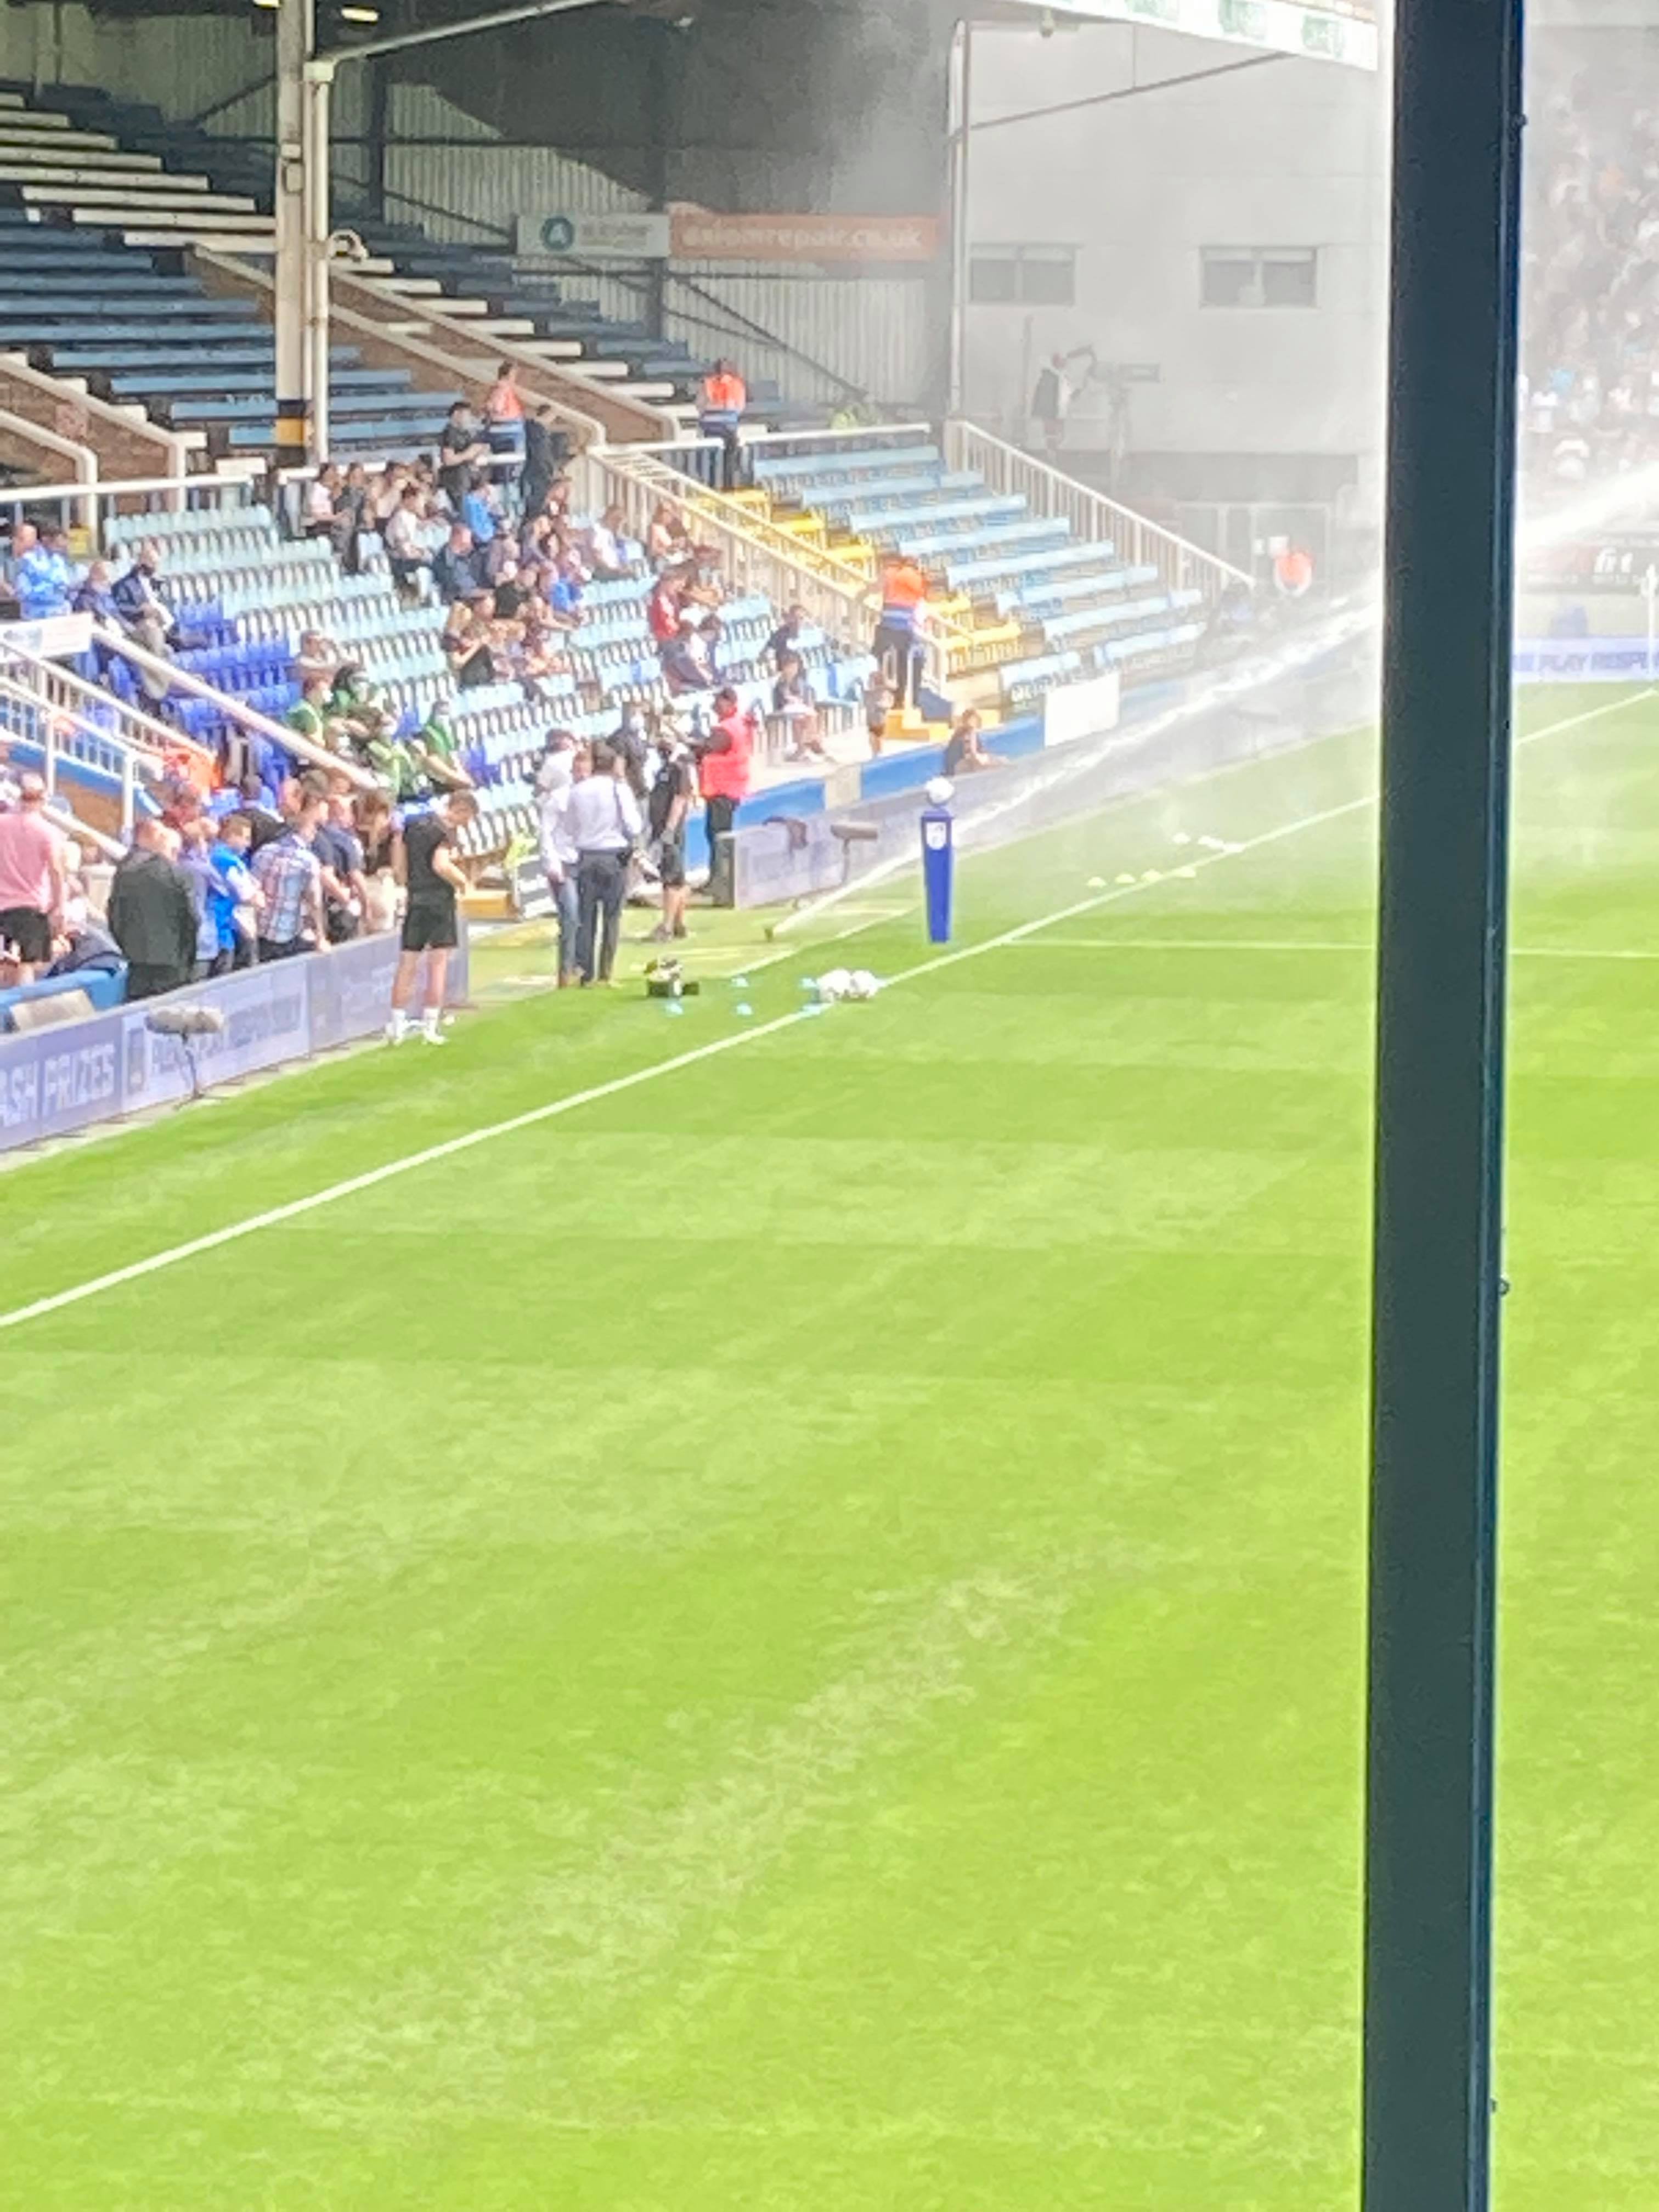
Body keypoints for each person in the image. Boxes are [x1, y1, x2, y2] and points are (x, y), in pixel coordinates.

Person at [387, 789, 478, 1043]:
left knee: (408, 962)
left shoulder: (413, 825)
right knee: (438, 964)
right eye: (467, 818)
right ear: (460, 809)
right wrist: (463, 882)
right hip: (438, 901)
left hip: (416, 898)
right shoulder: (443, 833)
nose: (465, 825)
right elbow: (441, 865)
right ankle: (430, 1027)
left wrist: (405, 882)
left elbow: (399, 862)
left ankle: (397, 1025)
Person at [565, 741, 642, 985]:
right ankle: (606, 972)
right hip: (613, 856)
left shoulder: (577, 791)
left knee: (586, 917)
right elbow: (634, 826)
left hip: (586, 855)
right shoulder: (619, 790)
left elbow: (570, 827)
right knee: (612, 917)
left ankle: (585, 972)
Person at [106, 819, 198, 1000]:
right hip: (173, 960)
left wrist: (126, 946)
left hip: (136, 958)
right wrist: (188, 956)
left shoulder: (125, 873)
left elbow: (115, 915)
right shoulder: (179, 875)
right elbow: (191, 919)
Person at [0, 772, 65, 983]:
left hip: (2, 906)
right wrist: (59, 906)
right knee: (26, 967)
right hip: (30, 909)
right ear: (43, 798)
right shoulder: (47, 831)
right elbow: (56, 871)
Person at [695, 686, 753, 906]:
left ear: (729, 703)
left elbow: (709, 748)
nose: (714, 706)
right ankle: (717, 878)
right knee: (717, 834)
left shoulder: (728, 729)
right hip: (728, 787)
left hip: (723, 788)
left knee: (719, 836)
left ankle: (721, 881)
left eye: (718, 702)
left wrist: (690, 744)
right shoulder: (737, 724)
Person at [251, 797, 327, 961]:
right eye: (314, 827)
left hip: (259, 931)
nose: (316, 832)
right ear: (306, 830)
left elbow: (254, 888)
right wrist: (321, 937)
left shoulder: (263, 852)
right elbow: (315, 902)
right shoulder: (308, 861)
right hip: (286, 934)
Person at [533, 732, 582, 986]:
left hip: (587, 860)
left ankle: (582, 965)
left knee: (586, 916)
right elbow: (546, 832)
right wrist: (552, 863)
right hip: (563, 862)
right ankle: (566, 969)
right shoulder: (558, 798)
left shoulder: (594, 796)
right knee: (570, 915)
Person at [647, 729, 696, 943]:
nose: (663, 741)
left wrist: (669, 828)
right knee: (677, 877)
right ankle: (678, 924)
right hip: (664, 829)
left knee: (672, 878)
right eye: (660, 736)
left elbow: (680, 798)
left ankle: (666, 927)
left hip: (671, 831)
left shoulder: (678, 768)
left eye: (667, 737)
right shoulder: (664, 769)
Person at [873, 551, 928, 713]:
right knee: (903, 664)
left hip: (890, 624)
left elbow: (875, 587)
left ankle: (883, 691)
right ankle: (901, 699)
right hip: (906, 628)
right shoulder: (915, 578)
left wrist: (860, 596)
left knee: (876, 657)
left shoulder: (891, 574)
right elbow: (919, 600)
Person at [697, 357, 748, 490]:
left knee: (711, 459)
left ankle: (711, 485)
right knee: (730, 457)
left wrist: (713, 408)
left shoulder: (707, 384)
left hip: (710, 427)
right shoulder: (737, 384)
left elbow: (700, 407)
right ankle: (728, 485)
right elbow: (740, 407)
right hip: (728, 427)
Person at [772, 651, 828, 761]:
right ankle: (811, 741)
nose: (793, 670)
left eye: (795, 667)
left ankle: (807, 744)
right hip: (785, 707)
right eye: (791, 667)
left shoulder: (799, 681)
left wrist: (800, 701)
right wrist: (793, 700)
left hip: (798, 708)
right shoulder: (781, 682)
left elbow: (804, 696)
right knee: (805, 716)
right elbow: (783, 698)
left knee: (806, 717)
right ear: (784, 668)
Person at [14, 523, 75, 621]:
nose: (62, 547)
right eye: (58, 543)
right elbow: (23, 592)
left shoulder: (58, 560)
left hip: (60, 613)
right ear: (45, 539)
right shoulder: (29, 560)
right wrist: (49, 589)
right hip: (36, 615)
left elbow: (65, 584)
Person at [437, 400, 489, 510]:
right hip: (456, 480)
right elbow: (448, 460)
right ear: (457, 414)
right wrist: (469, 454)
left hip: (471, 477)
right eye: (467, 415)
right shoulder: (449, 434)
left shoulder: (465, 433)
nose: (469, 418)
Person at [383, 485, 432, 599]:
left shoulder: (412, 517)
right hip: (399, 561)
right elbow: (401, 548)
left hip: (409, 555)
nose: (421, 505)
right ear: (410, 499)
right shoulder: (400, 517)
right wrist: (419, 555)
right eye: (419, 501)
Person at [433, 522, 483, 605]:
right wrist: (480, 593)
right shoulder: (443, 560)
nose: (470, 545)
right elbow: (453, 588)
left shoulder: (471, 554)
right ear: (456, 539)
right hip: (460, 600)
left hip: (477, 593)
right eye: (466, 542)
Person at [943, 709, 1004, 776]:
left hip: (954, 768)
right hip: (959, 768)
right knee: (995, 764)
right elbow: (972, 755)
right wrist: (985, 762)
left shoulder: (960, 732)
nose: (975, 722)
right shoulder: (969, 734)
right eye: (973, 720)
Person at [766, 603, 808, 669]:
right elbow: (769, 654)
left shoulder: (809, 636)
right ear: (789, 618)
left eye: (801, 618)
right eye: (795, 618)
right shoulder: (779, 636)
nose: (797, 621)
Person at [864, 668, 893, 758]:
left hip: (879, 715)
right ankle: (876, 752)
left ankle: (878, 752)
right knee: (874, 735)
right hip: (872, 715)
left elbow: (889, 703)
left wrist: (882, 706)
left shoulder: (884, 692)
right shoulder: (871, 692)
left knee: (878, 735)